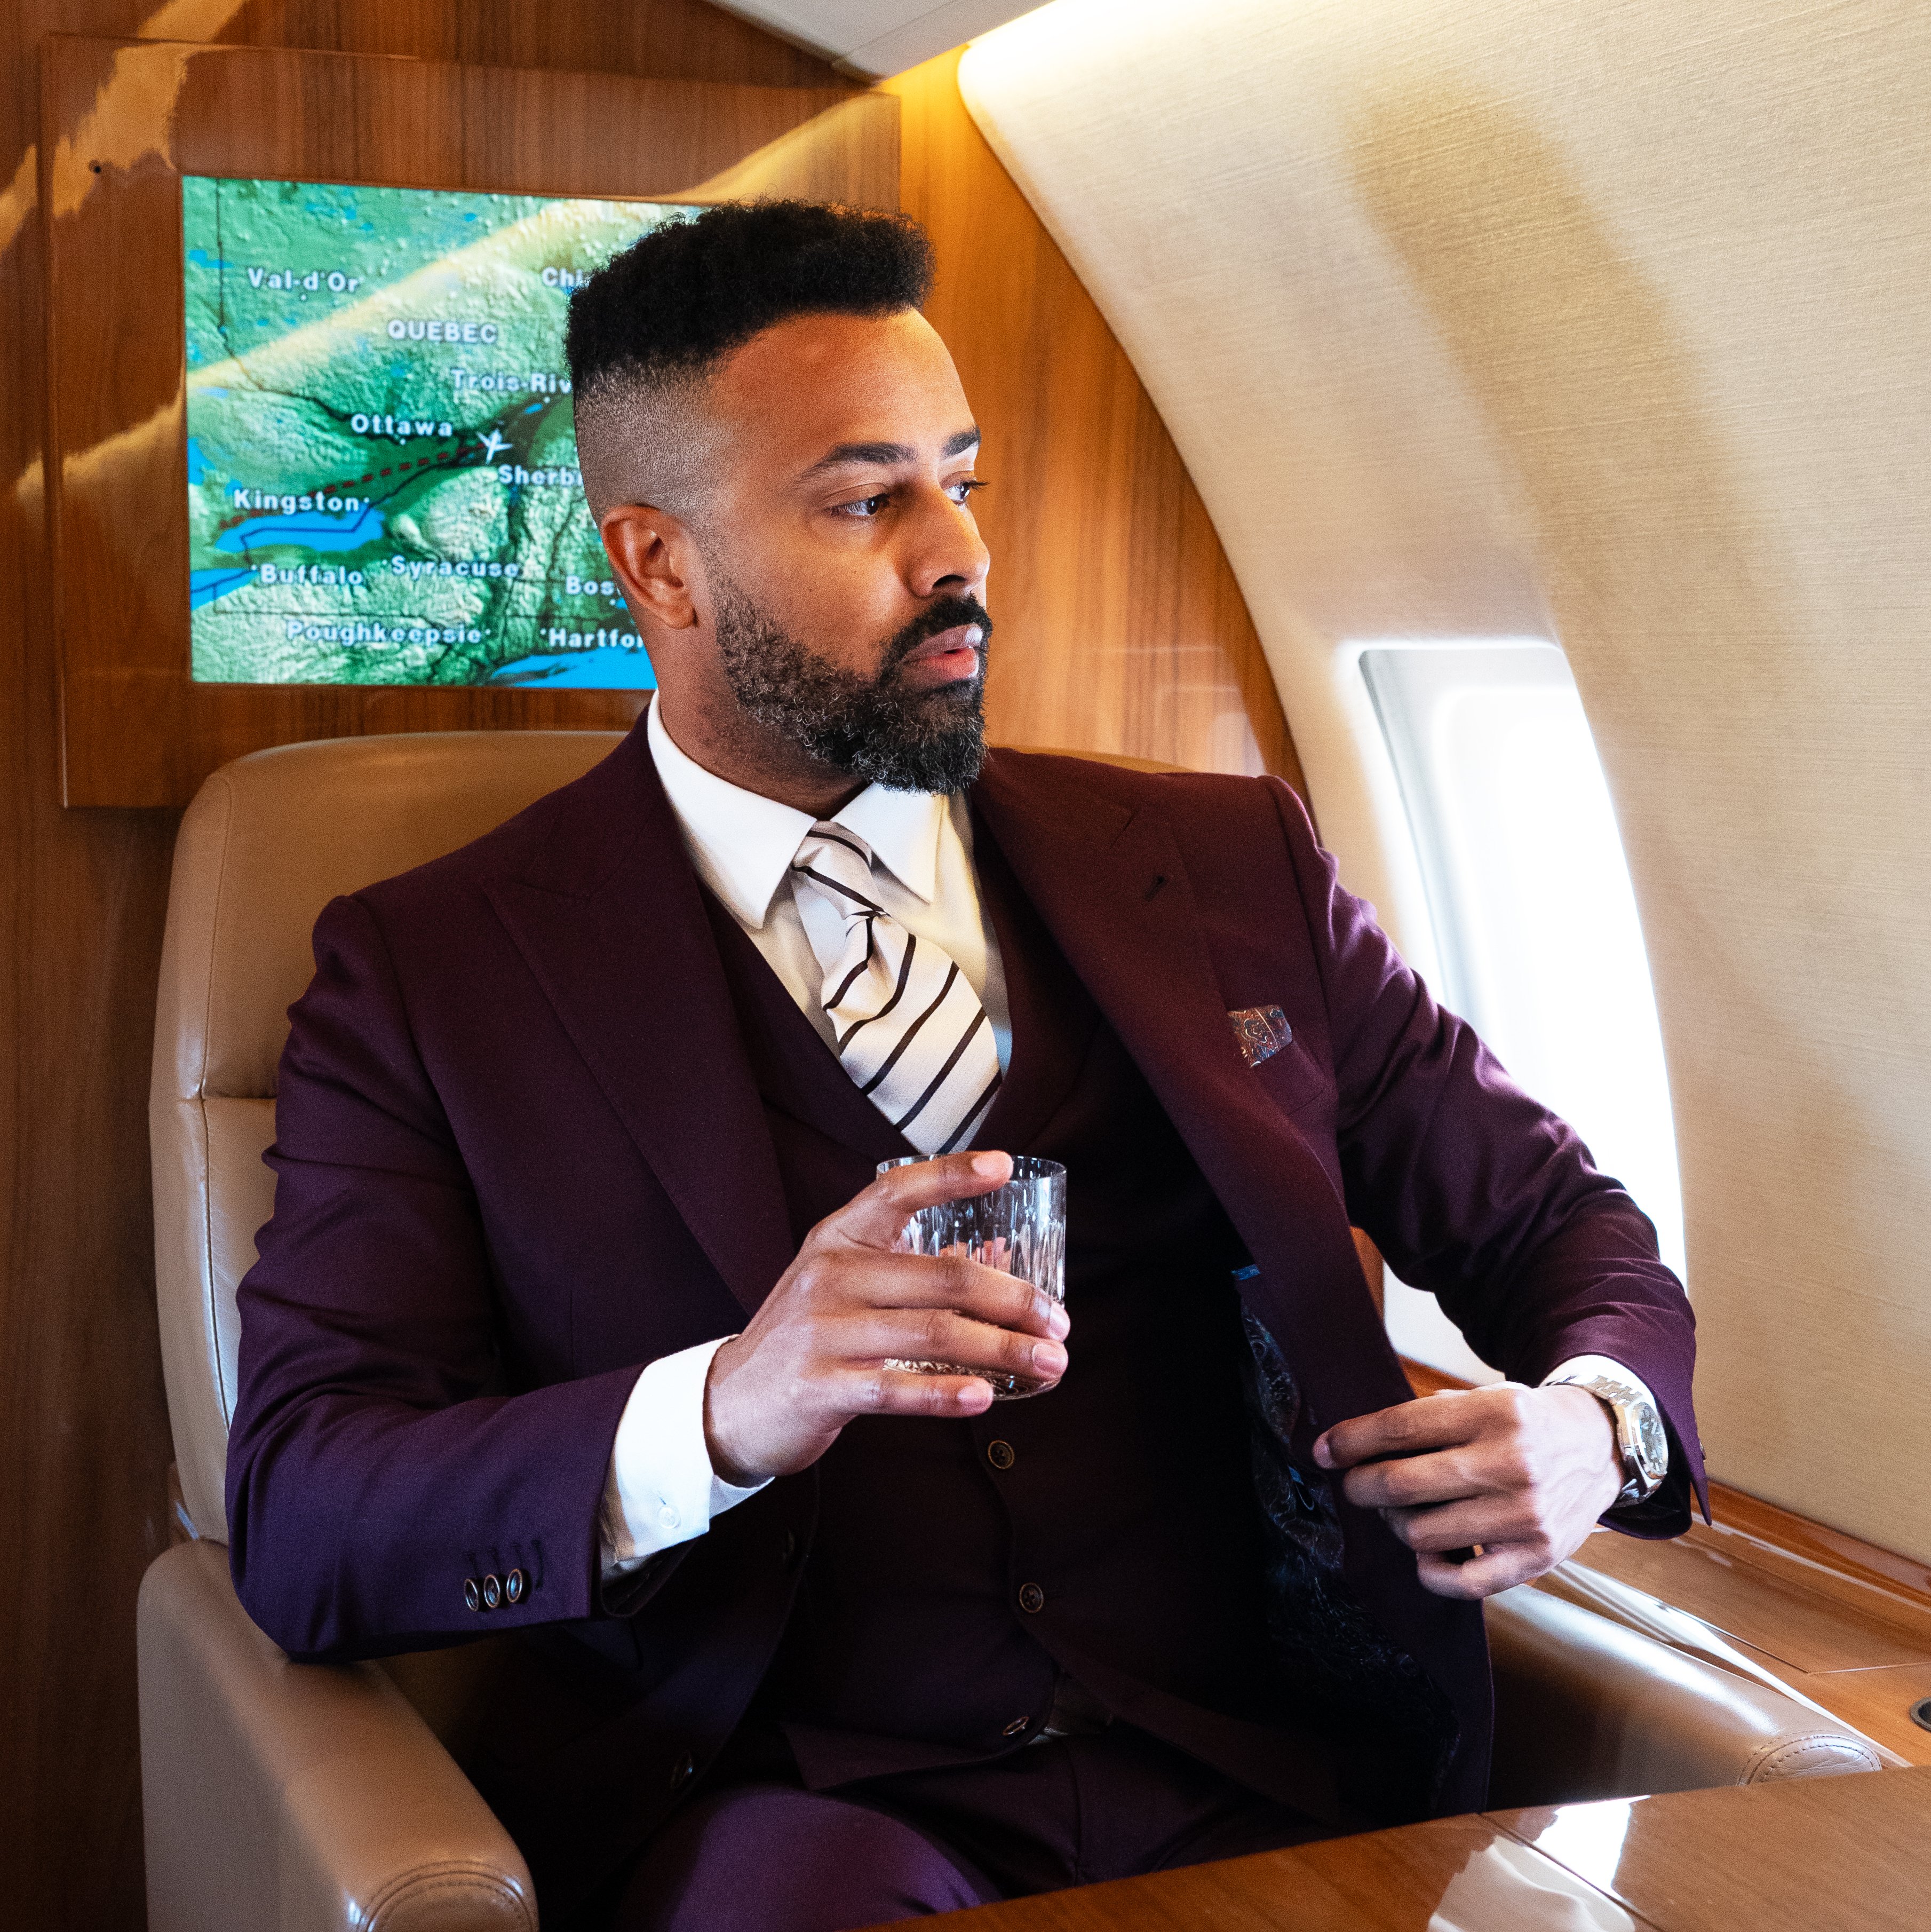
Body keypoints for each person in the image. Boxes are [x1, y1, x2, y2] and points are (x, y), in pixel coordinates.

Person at [226, 201, 1701, 1931]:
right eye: (867, 501)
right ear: (659, 565)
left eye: (963, 482)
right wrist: (722, 1406)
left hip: (1284, 1771)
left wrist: (1594, 1423)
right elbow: (310, 1513)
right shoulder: (430, 976)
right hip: (792, 1809)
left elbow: (1553, 1219)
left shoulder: (1229, 866)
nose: (958, 556)